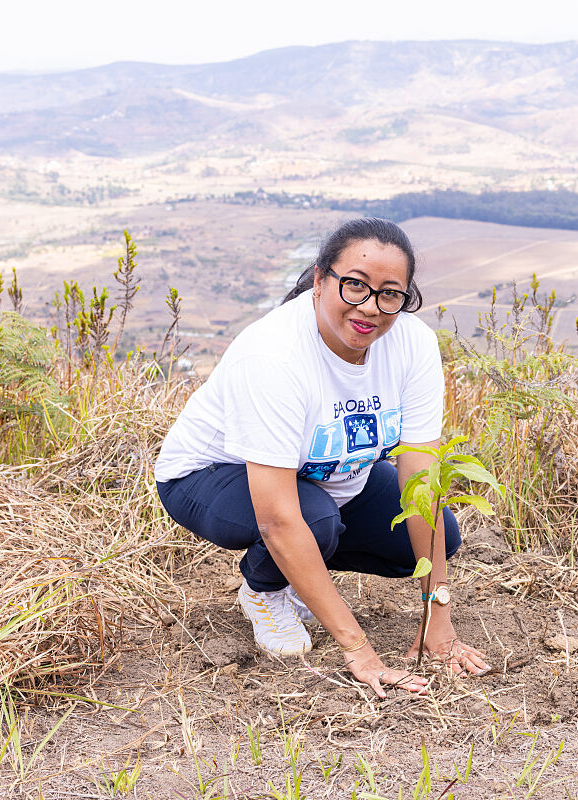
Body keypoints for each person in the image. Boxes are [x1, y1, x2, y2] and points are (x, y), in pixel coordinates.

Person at [154, 217, 490, 697]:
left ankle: (300, 574)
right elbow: (277, 516)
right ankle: (263, 589)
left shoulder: (413, 345)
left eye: (389, 294)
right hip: (211, 476)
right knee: (312, 521)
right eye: (354, 285)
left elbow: (420, 483)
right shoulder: (274, 356)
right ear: (319, 280)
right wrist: (359, 648)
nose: (369, 308)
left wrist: (438, 616)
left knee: (440, 536)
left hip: (329, 477)